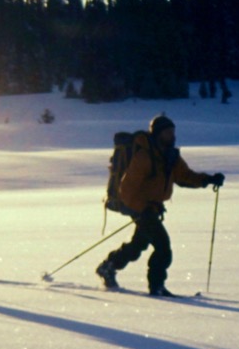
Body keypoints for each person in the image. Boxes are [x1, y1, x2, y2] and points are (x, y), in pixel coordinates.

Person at [96, 114, 224, 296]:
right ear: (157, 134)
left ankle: (108, 267)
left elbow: (185, 176)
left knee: (138, 244)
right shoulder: (144, 156)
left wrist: (208, 179)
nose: (172, 135)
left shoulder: (170, 156)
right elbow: (127, 189)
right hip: (141, 209)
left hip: (151, 209)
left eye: (173, 131)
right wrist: (143, 210)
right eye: (167, 132)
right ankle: (156, 286)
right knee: (163, 247)